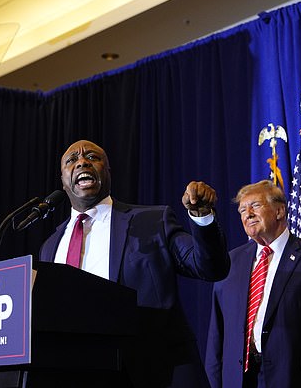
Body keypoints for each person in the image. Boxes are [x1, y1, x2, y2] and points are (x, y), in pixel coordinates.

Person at [38, 139, 230, 388]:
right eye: (72, 160)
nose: (82, 161)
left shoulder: (151, 220)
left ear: (107, 172)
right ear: (63, 181)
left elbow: (209, 266)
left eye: (92, 157)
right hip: (81, 372)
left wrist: (202, 217)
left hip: (157, 370)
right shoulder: (50, 246)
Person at [205, 180, 301, 388]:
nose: (248, 214)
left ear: (280, 211)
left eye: (255, 205)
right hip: (239, 380)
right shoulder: (229, 263)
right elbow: (216, 338)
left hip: (294, 379)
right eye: (242, 210)